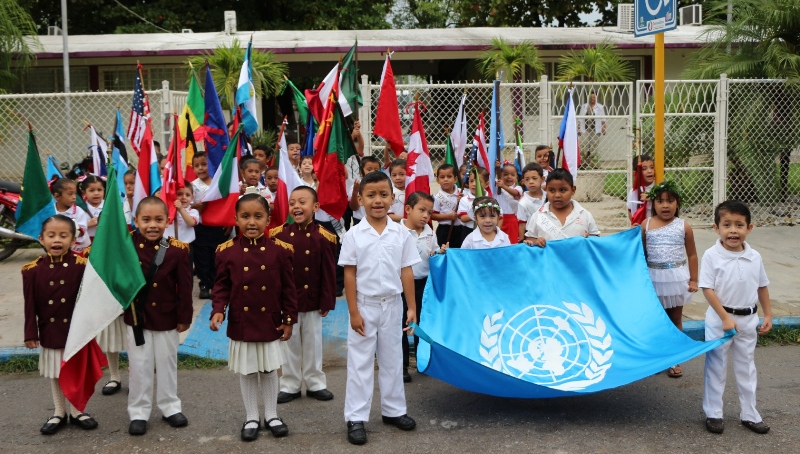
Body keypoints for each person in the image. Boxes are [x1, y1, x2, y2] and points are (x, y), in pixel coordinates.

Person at [338, 171, 420, 445]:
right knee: (360, 362)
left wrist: (411, 307)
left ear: (393, 198)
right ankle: (356, 417)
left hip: (393, 305)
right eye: (371, 195)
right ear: (360, 199)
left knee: (393, 359)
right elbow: (350, 274)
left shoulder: (401, 233)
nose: (377, 201)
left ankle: (394, 411)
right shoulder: (354, 235)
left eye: (384, 195)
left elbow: (406, 270)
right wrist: (353, 312)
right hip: (365, 305)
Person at [211, 193, 297, 441]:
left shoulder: (280, 251)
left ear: (268, 220)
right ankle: (251, 416)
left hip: (270, 321)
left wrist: (288, 320)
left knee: (269, 370)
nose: (251, 222)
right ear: (236, 219)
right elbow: (221, 286)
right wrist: (219, 309)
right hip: (242, 322)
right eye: (245, 216)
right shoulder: (226, 252)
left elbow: (288, 289)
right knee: (248, 371)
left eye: (258, 216)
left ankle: (272, 415)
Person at [700, 200, 772, 435]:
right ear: (716, 228)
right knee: (716, 366)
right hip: (720, 320)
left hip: (748, 319)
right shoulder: (711, 255)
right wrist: (724, 317)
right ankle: (714, 413)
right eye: (727, 225)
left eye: (739, 225)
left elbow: (762, 286)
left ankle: (750, 414)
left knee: (746, 367)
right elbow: (707, 289)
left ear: (749, 228)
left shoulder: (755, 256)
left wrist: (768, 314)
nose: (733, 231)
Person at [23, 215, 99, 435]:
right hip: (50, 330)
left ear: (73, 239)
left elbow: (91, 298)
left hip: (75, 331)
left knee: (75, 371)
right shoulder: (32, 270)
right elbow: (30, 306)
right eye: (51, 235)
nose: (57, 240)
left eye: (63, 236)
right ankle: (59, 412)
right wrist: (31, 333)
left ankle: (77, 411)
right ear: (41, 239)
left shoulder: (82, 265)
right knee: (56, 372)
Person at [126, 197, 193, 436]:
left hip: (167, 317)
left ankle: (170, 407)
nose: (152, 225)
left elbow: (184, 287)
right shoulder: (126, 245)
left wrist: (184, 317)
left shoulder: (177, 250)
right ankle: (138, 412)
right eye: (146, 220)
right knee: (139, 367)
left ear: (167, 221)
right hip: (138, 318)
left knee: (167, 363)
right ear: (136, 221)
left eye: (158, 219)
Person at [271, 187, 337, 404]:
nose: (296, 207)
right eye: (292, 203)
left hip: (312, 299)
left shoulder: (324, 237)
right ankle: (289, 384)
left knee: (313, 343)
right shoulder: (279, 236)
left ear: (315, 207)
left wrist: (327, 300)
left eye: (302, 202)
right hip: (287, 302)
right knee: (289, 344)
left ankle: (315, 383)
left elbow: (328, 272)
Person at [641, 181, 699, 378]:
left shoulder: (684, 226)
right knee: (656, 320)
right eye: (660, 201)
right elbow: (641, 254)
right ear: (653, 204)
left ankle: (675, 357)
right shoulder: (646, 225)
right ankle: (658, 358)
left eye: (670, 201)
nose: (665, 205)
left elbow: (692, 254)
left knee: (675, 319)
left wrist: (694, 279)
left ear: (677, 203)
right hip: (653, 279)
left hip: (676, 279)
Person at [399, 192, 445, 382]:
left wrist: (439, 252)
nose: (426, 216)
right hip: (401, 285)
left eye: (429, 212)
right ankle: (402, 366)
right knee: (401, 326)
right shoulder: (398, 231)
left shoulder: (429, 232)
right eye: (422, 210)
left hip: (423, 285)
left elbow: (432, 253)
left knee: (421, 324)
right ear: (408, 209)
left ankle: (422, 361)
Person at [523, 169, 600, 247]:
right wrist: (536, 242)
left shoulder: (585, 215)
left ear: (573, 190)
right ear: (546, 190)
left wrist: (590, 238)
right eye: (552, 190)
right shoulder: (538, 216)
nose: (557, 195)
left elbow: (596, 240)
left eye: (562, 190)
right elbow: (530, 239)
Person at [191, 153, 226, 300]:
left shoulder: (218, 183)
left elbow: (225, 204)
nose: (201, 168)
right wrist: (196, 206)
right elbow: (188, 206)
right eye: (197, 165)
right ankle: (204, 285)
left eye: (204, 164)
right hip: (200, 227)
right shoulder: (193, 186)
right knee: (202, 257)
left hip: (217, 226)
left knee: (215, 256)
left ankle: (215, 284)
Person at [51, 178, 91, 255]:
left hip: (78, 249)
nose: (74, 197)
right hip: (57, 248)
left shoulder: (78, 211)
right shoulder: (51, 211)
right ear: (57, 196)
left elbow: (82, 230)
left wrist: (67, 234)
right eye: (70, 194)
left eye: (75, 193)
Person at [431, 164, 465, 249]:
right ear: (437, 180)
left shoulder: (462, 193)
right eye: (442, 177)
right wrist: (449, 216)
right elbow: (433, 215)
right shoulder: (437, 197)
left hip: (461, 229)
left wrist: (463, 200)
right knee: (444, 251)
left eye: (449, 176)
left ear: (455, 179)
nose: (446, 179)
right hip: (444, 230)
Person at [344, 120, 366, 229]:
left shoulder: (357, 157)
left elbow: (361, 146)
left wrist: (358, 132)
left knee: (356, 219)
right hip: (346, 195)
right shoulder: (343, 158)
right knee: (346, 221)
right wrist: (352, 136)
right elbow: (345, 147)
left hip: (356, 193)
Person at [516, 163, 546, 243]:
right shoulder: (523, 203)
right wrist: (522, 241)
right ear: (523, 181)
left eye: (534, 178)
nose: (531, 182)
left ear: (542, 179)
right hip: (532, 239)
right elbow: (522, 224)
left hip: (549, 236)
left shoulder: (548, 197)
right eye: (527, 179)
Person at [348, 156, 381, 227]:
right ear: (361, 171)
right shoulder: (356, 185)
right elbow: (353, 207)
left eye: (376, 170)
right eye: (369, 169)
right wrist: (355, 191)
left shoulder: (383, 186)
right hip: (359, 221)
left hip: (378, 220)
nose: (373, 172)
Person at [578, 91, 606, 167]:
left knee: (594, 146)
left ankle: (589, 161)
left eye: (594, 97)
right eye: (591, 97)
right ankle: (584, 163)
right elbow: (580, 119)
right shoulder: (584, 106)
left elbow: (603, 119)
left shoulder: (600, 107)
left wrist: (604, 128)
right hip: (585, 129)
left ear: (596, 98)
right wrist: (579, 129)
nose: (592, 99)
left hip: (595, 129)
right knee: (584, 145)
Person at [496, 163, 522, 244]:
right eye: (505, 174)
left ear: (516, 178)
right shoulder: (497, 186)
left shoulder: (518, 188)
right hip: (498, 219)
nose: (509, 177)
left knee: (511, 242)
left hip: (511, 220)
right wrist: (497, 168)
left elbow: (515, 193)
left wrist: (503, 186)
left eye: (512, 175)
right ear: (501, 176)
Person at [627, 155, 656, 225]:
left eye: (652, 167)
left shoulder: (658, 188)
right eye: (644, 169)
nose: (649, 171)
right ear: (635, 173)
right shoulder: (633, 192)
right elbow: (630, 211)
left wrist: (652, 199)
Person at [81, 175, 105, 240]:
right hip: (88, 241)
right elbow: (75, 228)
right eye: (91, 190)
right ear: (84, 193)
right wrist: (88, 224)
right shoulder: (81, 208)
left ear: (104, 190)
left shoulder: (108, 206)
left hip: (106, 240)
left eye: (99, 190)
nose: (96, 193)